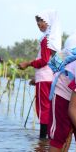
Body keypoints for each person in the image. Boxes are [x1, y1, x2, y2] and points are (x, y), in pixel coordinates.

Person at [19, 10, 62, 139]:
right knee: (50, 108)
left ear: (48, 22)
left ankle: (43, 140)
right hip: (51, 78)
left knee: (43, 109)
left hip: (44, 79)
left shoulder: (46, 40)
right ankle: (49, 139)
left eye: (42, 21)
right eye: (37, 22)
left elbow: (43, 61)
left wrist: (27, 63)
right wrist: (35, 78)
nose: (39, 24)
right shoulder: (53, 40)